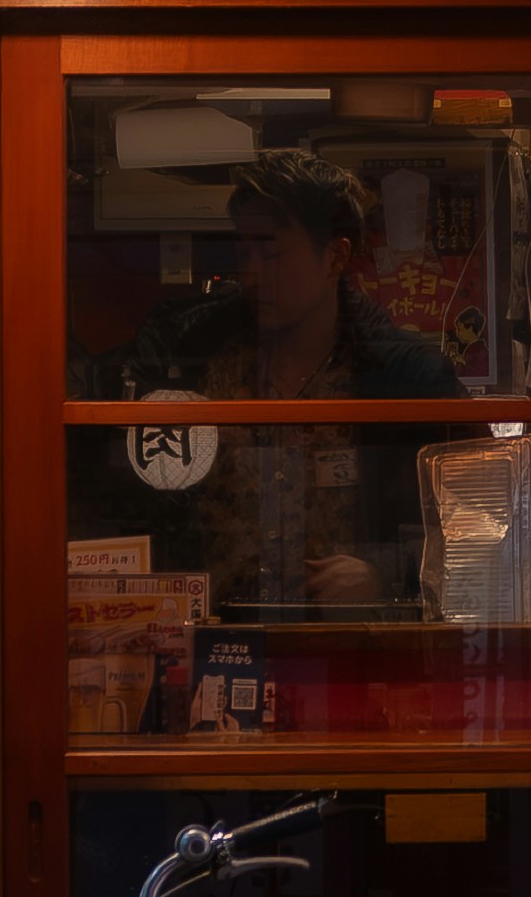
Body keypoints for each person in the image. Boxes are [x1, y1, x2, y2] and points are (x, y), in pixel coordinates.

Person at [106, 158, 464, 618]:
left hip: (352, 642)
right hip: (207, 631)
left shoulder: (405, 378)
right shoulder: (193, 357)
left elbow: (474, 525)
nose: (251, 273)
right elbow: (132, 502)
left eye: (272, 254)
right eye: (243, 254)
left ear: (335, 256)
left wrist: (384, 572)